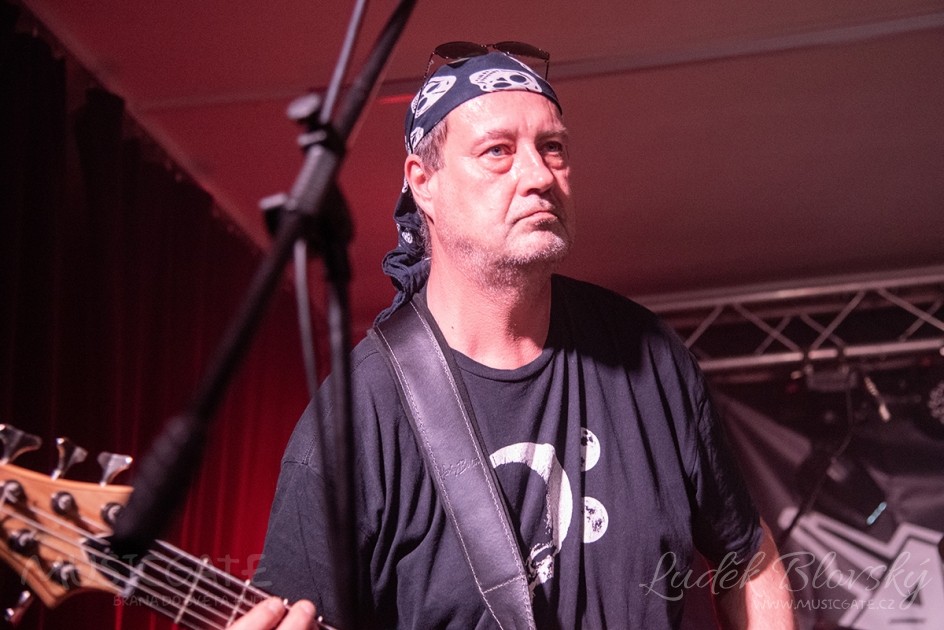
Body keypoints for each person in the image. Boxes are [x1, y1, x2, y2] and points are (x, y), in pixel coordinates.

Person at [241, 45, 797, 629]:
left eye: (551, 147)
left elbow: (749, 559)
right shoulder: (359, 416)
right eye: (497, 151)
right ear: (423, 183)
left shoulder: (648, 355)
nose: (538, 175)